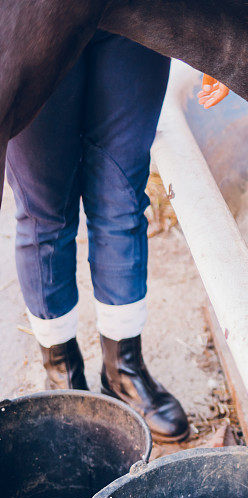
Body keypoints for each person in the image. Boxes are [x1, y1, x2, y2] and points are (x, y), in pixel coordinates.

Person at [5, 31, 194, 442]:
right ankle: (63, 375)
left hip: (134, 17)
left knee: (122, 201)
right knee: (43, 214)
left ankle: (123, 369)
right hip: (30, 18)